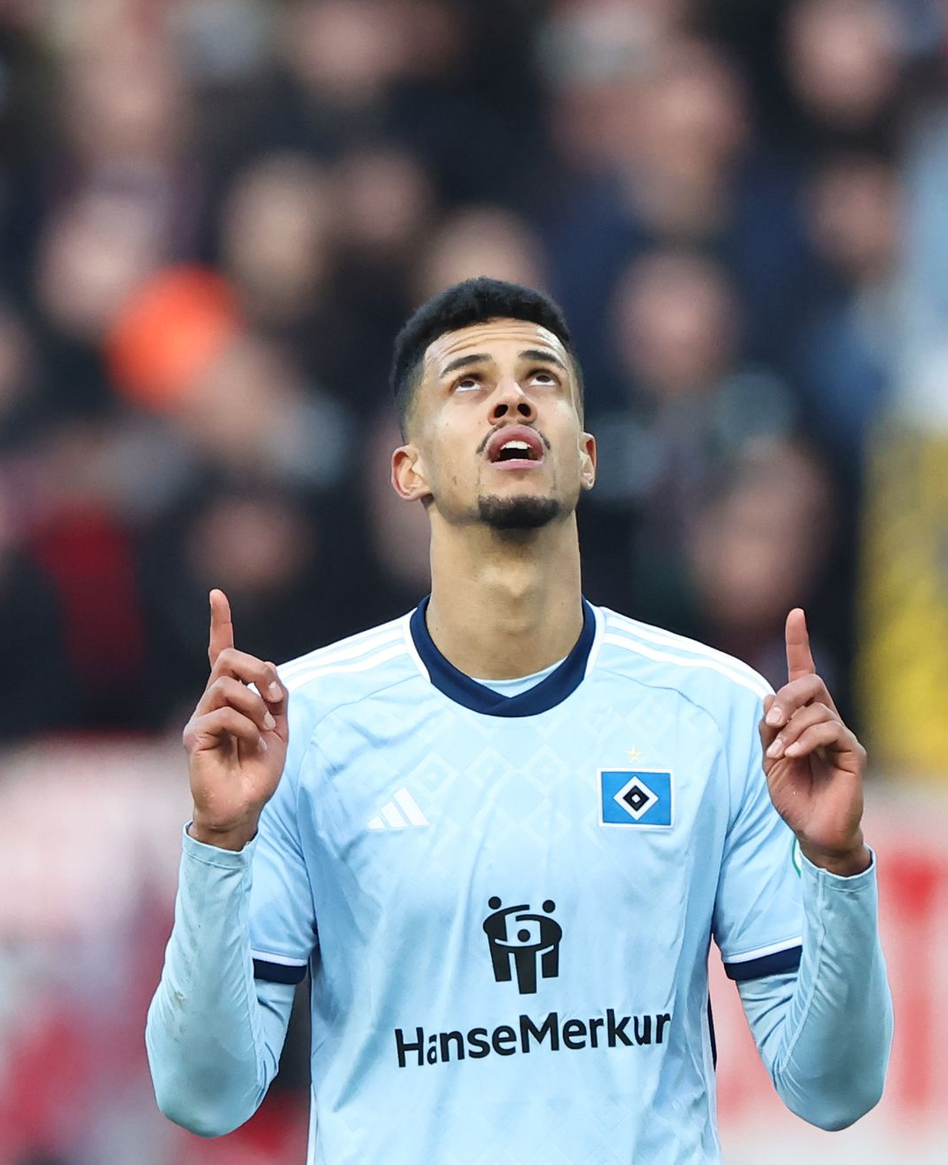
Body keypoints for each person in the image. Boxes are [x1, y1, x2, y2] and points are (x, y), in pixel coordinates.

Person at [146, 278, 892, 1161]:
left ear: (586, 456)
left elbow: (836, 1088)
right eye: (467, 381)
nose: (510, 395)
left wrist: (837, 866)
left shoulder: (720, 712)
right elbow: (204, 1093)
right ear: (408, 468)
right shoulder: (298, 725)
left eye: (542, 376)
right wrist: (219, 842)